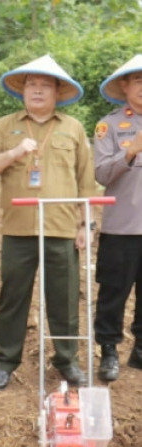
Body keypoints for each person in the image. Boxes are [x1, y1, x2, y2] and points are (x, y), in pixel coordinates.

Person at [0, 55, 96, 391]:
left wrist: (86, 225)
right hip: (18, 229)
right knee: (13, 298)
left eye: (45, 86)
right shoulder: (5, 125)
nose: (37, 91)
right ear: (23, 91)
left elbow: (86, 181)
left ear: (58, 92)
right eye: (31, 85)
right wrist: (13, 153)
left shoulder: (73, 128)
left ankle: (67, 359)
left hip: (61, 229)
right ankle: (4, 362)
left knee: (65, 298)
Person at [93, 54, 142, 381]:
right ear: (124, 86)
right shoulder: (109, 126)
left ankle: (140, 350)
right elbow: (101, 173)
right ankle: (108, 350)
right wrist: (130, 150)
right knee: (113, 291)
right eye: (138, 81)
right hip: (121, 226)